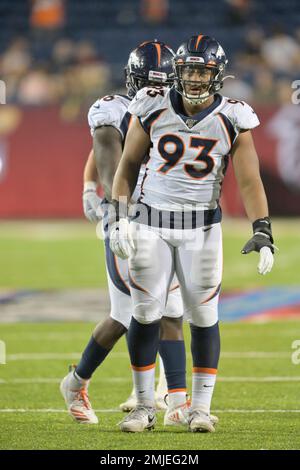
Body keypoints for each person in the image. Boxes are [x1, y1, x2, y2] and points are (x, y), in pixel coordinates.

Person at [109, 34, 275, 433]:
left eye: (203, 70)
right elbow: (128, 165)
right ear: (177, 72)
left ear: (217, 75)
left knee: (203, 315)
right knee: (145, 312)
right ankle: (144, 406)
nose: (196, 79)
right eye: (189, 70)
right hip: (151, 222)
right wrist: (118, 216)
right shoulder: (151, 104)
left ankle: (199, 408)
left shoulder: (234, 116)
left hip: (202, 228)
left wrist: (262, 229)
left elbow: (250, 181)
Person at [60, 40, 189, 426]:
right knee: (126, 314)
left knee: (171, 310)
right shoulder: (112, 110)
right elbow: (108, 156)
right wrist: (113, 210)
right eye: (149, 83)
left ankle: (174, 398)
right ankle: (79, 381)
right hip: (130, 216)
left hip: (169, 217)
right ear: (132, 81)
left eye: (162, 83)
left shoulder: (181, 110)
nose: (155, 91)